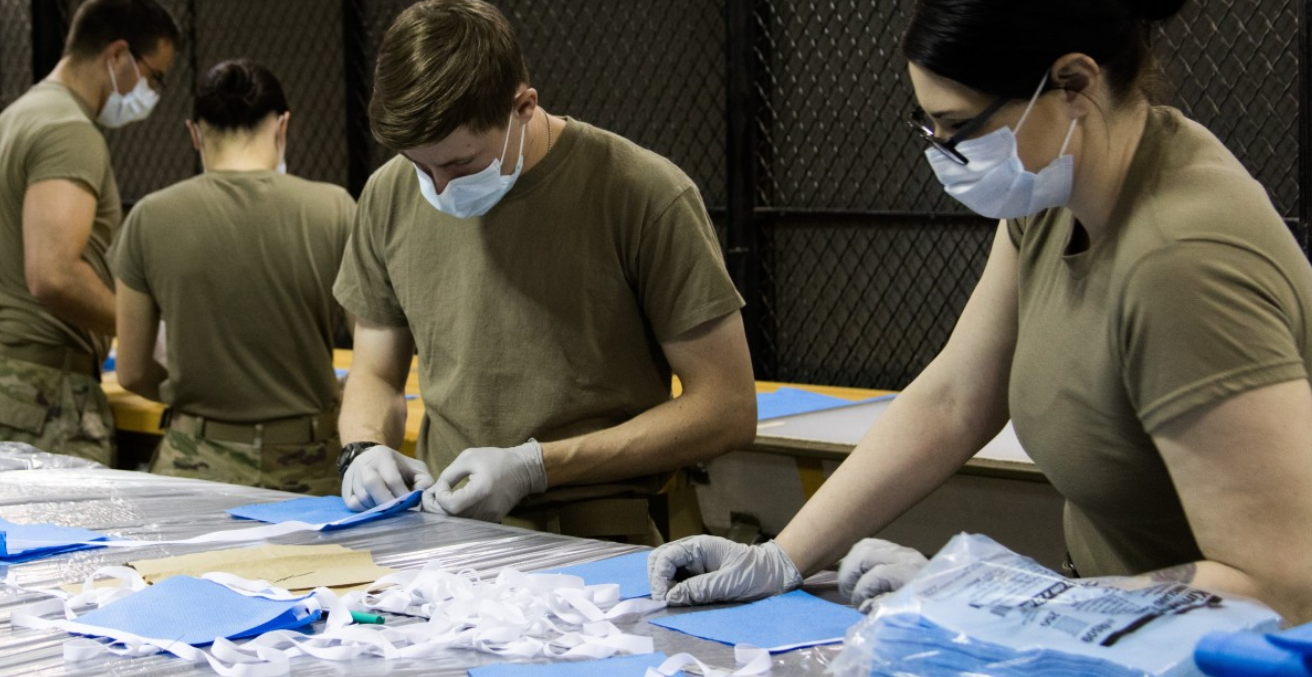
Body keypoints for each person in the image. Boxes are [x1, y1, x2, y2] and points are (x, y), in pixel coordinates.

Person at [649, 0, 1312, 625]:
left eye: (961, 127)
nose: (943, 150)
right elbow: (956, 395)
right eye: (929, 124)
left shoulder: (1181, 261)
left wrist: (1010, 602)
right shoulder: (1061, 187)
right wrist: (785, 554)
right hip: (1115, 630)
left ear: (1074, 84)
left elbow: (1280, 584)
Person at [333, 0, 755, 544]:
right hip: (444, 532)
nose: (439, 188)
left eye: (461, 164)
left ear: (524, 106)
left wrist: (536, 466)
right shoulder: (389, 194)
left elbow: (727, 407)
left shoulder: (641, 194)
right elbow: (375, 373)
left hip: (598, 537)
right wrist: (364, 450)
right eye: (421, 165)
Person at [112, 60, 356, 495]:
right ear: (283, 126)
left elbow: (131, 371)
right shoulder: (334, 208)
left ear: (194, 132)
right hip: (308, 462)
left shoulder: (150, 216)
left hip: (195, 462)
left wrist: (199, 399)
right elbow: (375, 354)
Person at [0, 0, 179, 465]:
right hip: (43, 390)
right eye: (154, 76)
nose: (153, 92)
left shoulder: (16, 117)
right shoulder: (68, 130)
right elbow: (53, 274)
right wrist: (142, 327)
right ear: (118, 55)